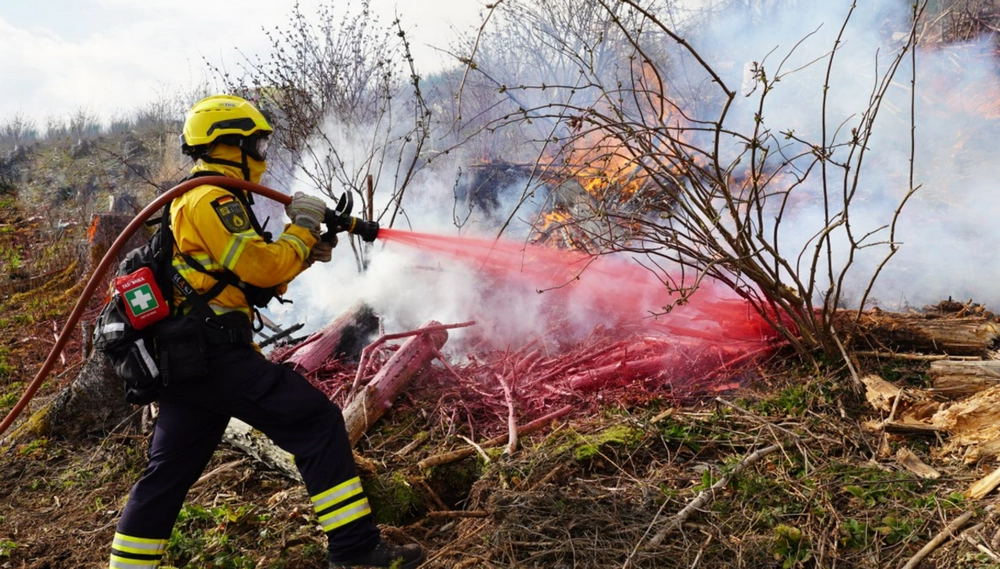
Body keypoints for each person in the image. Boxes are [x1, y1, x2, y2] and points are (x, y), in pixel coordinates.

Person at [107, 94, 424, 569]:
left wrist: (305, 248)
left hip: (189, 363)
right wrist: (299, 231)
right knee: (316, 422)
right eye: (255, 143)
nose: (262, 154)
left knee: (166, 476)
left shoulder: (209, 197)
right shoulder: (210, 197)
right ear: (228, 145)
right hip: (215, 355)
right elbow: (257, 266)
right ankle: (355, 552)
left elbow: (246, 279)